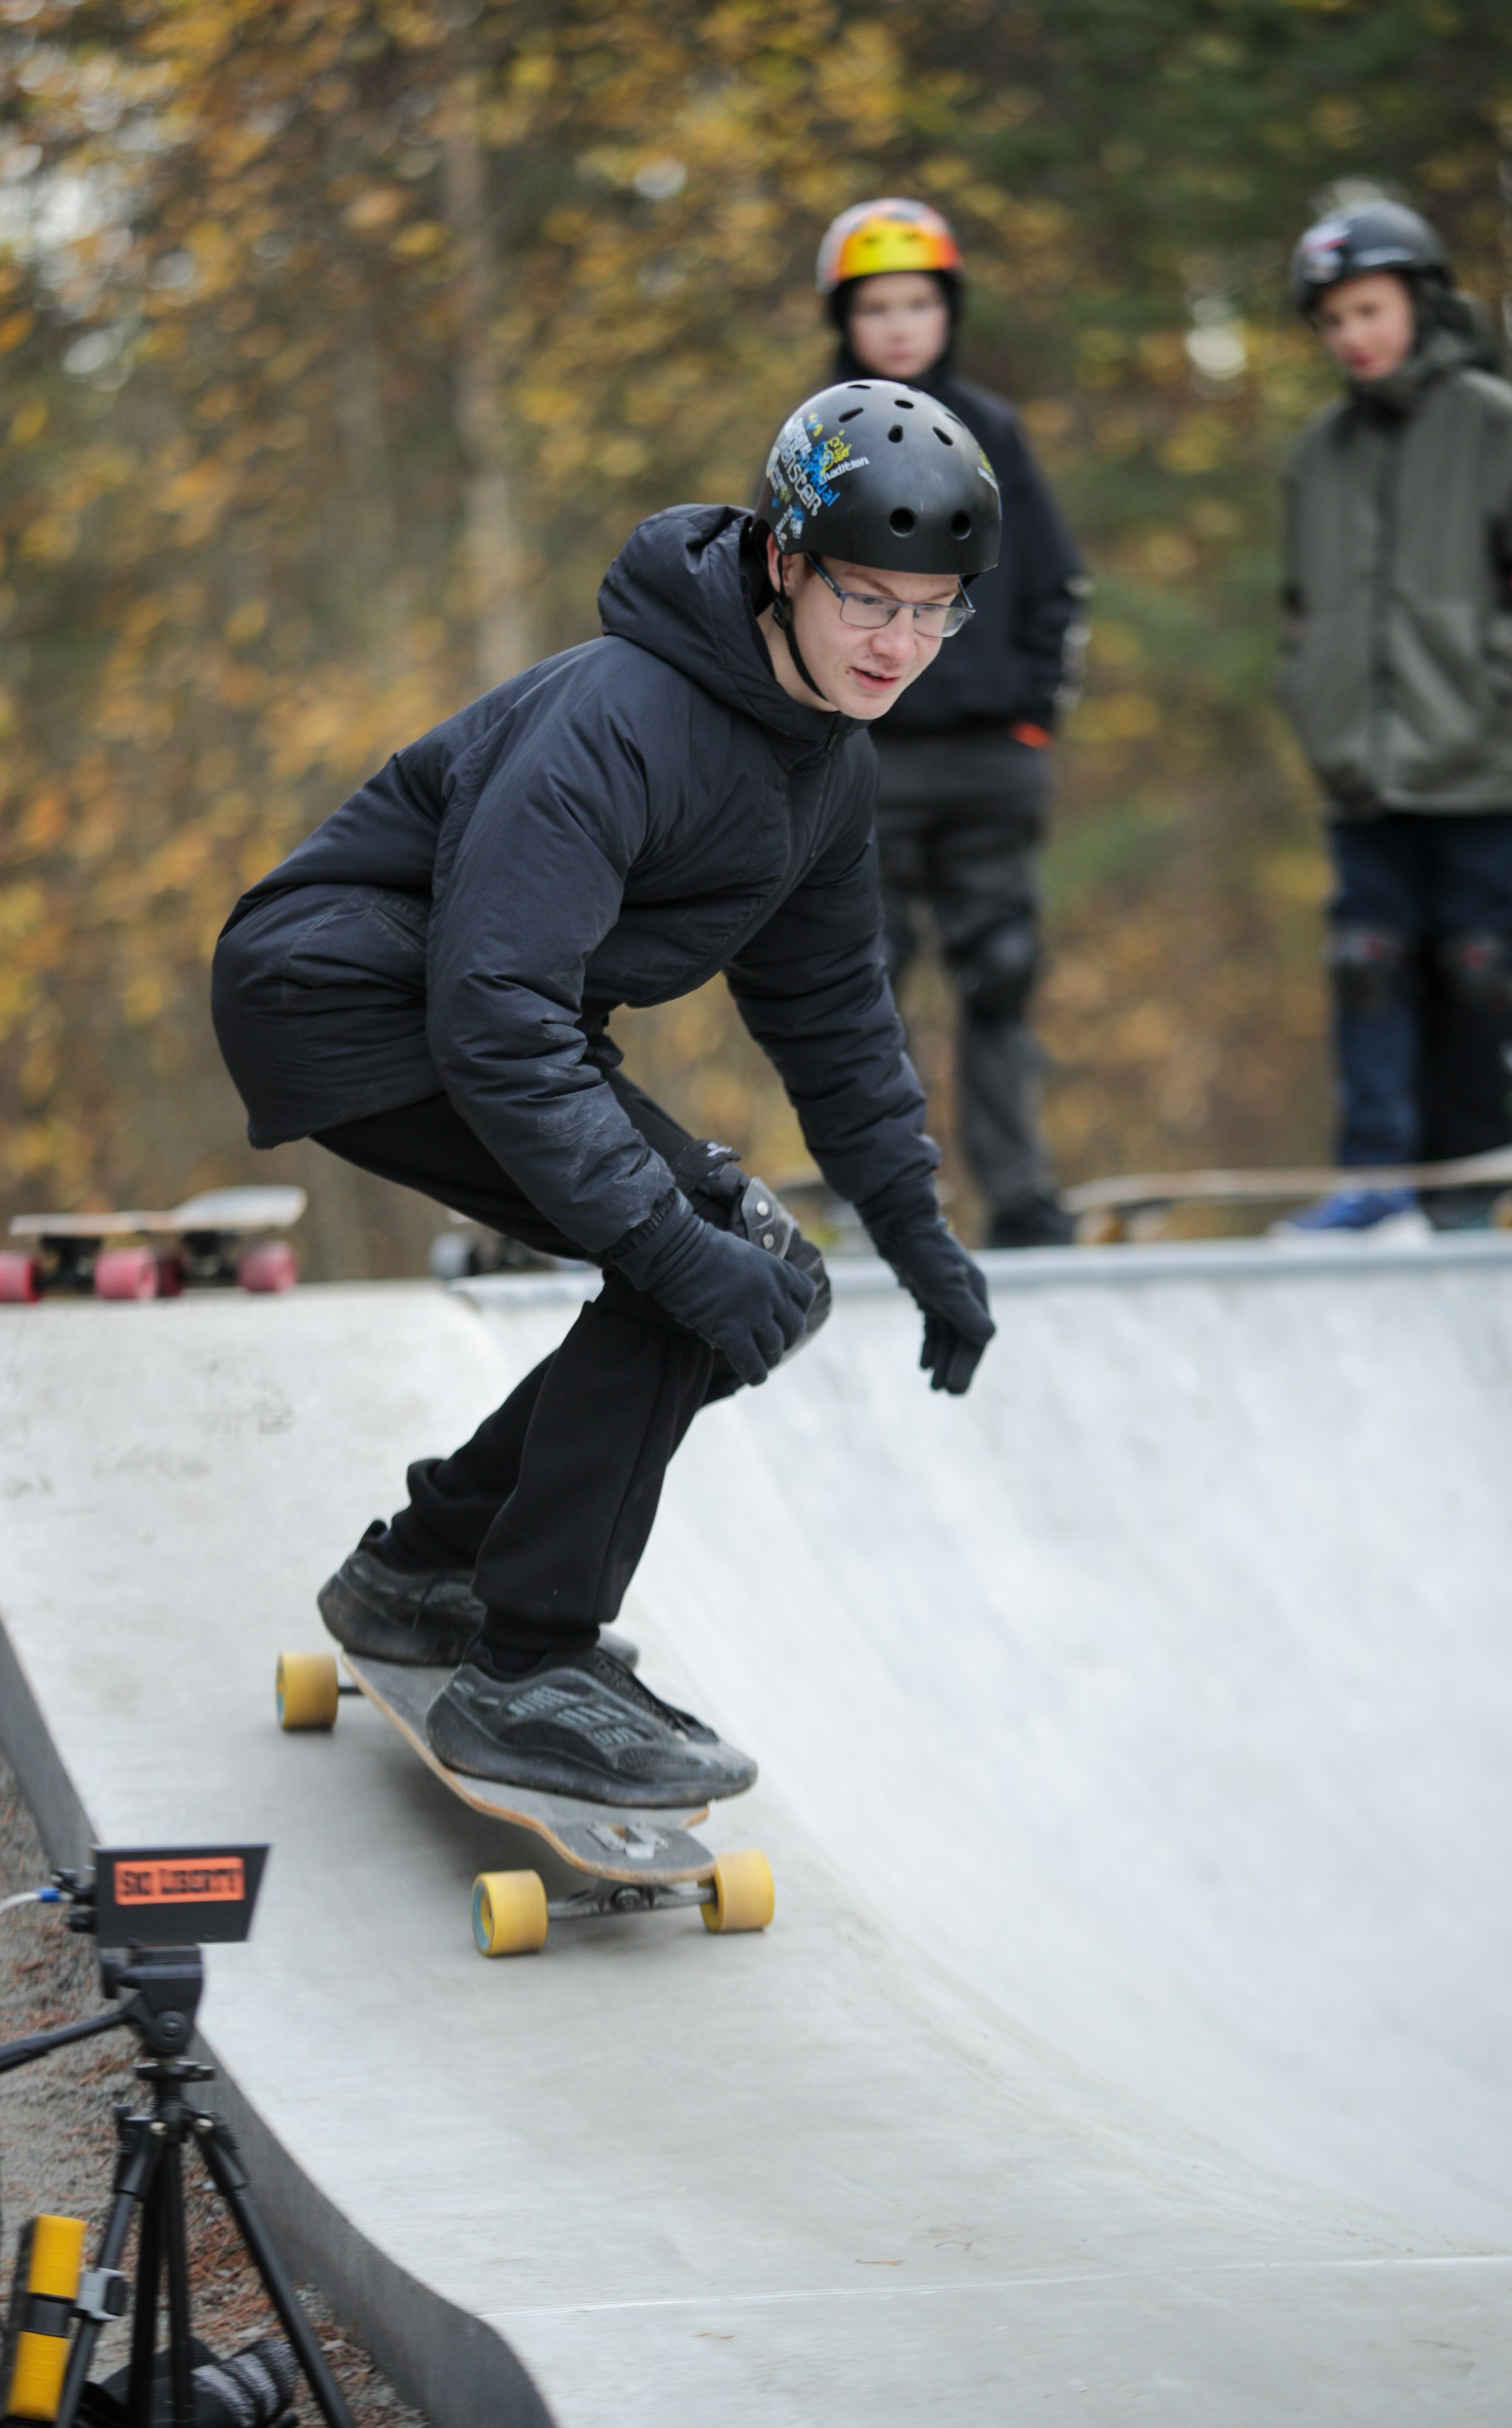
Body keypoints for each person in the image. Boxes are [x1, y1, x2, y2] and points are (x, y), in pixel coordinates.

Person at [212, 379, 999, 1805]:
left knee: (753, 1270)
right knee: (698, 1267)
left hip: (467, 1011)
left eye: (932, 611)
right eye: (867, 600)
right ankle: (530, 1672)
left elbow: (828, 1011)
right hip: (350, 996)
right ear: (781, 561)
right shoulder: (621, 716)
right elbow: (498, 1010)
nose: (898, 644)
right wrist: (665, 1240)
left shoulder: (826, 761)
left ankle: (424, 1568)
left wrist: (918, 1235)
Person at [1277, 197, 1512, 1232]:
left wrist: (1484, 664)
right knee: (1366, 959)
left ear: (1420, 302)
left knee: (1486, 955)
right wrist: (1313, 689)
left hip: (1475, 749)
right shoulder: (1319, 449)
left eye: (1370, 311)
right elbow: (1302, 606)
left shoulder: (1490, 419)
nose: (1355, 337)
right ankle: (1377, 1172)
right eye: (1335, 322)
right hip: (1362, 764)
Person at [817, 197, 1087, 1249]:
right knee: (859, 976)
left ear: (948, 312)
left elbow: (1058, 583)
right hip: (862, 756)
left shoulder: (995, 433)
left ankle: (1020, 1194)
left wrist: (1032, 718)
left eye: (918, 303)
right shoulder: (821, 436)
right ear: (844, 318)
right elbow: (777, 588)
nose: (898, 325)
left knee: (1002, 969)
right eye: (877, 305)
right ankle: (869, 1186)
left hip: (987, 756)